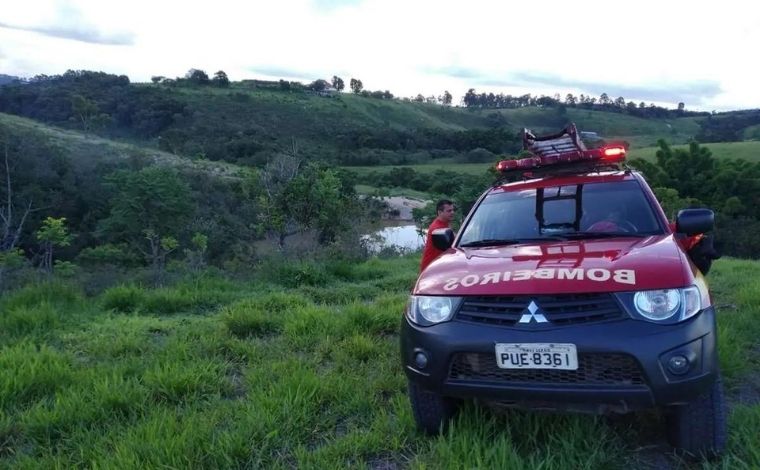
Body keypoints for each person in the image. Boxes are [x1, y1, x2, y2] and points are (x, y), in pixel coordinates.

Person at [420, 199, 455, 272]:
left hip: (439, 264)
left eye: (452, 210)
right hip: (431, 267)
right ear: (440, 212)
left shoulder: (445, 223)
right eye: (449, 211)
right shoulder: (436, 228)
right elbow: (452, 244)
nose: (452, 212)